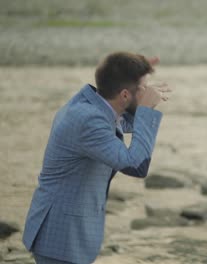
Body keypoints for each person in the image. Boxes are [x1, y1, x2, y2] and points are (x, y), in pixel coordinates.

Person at [22, 52, 172, 264]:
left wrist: (133, 70)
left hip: (66, 236)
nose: (148, 91)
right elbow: (136, 165)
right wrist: (146, 110)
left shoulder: (94, 104)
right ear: (125, 95)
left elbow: (122, 122)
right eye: (143, 88)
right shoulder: (87, 120)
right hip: (61, 239)